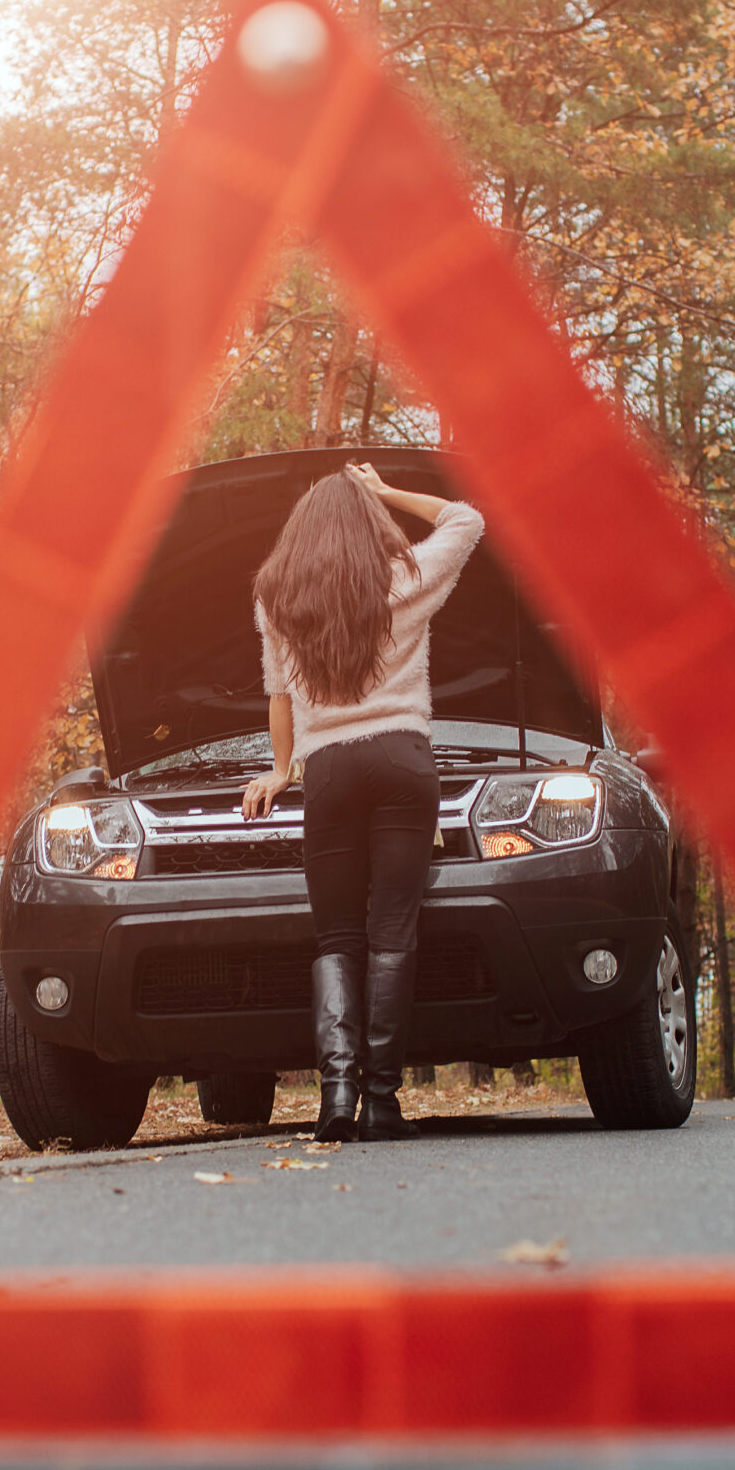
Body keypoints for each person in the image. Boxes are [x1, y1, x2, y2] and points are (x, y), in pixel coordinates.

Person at [242, 462, 486, 1140]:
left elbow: (278, 694)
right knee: (392, 931)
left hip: (328, 772)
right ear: (368, 524)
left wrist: (281, 771)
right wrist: (387, 492)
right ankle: (381, 1103)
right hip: (403, 760)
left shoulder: (277, 598)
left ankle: (336, 1099)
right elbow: (466, 520)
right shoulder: (405, 580)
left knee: (338, 936)